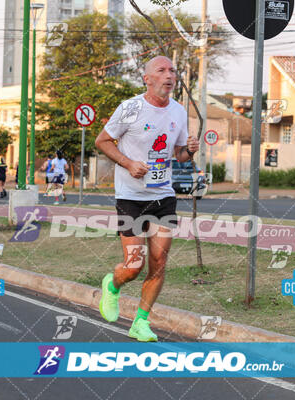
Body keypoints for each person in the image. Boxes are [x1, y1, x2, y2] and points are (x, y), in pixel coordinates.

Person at [94, 56, 200, 342]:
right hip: (131, 196)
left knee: (159, 264)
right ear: (147, 79)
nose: (169, 75)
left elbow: (178, 156)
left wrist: (189, 151)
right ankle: (112, 286)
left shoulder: (178, 112)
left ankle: (141, 321)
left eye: (172, 70)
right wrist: (128, 163)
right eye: (161, 70)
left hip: (163, 195)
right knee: (134, 265)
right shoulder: (130, 108)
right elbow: (102, 141)